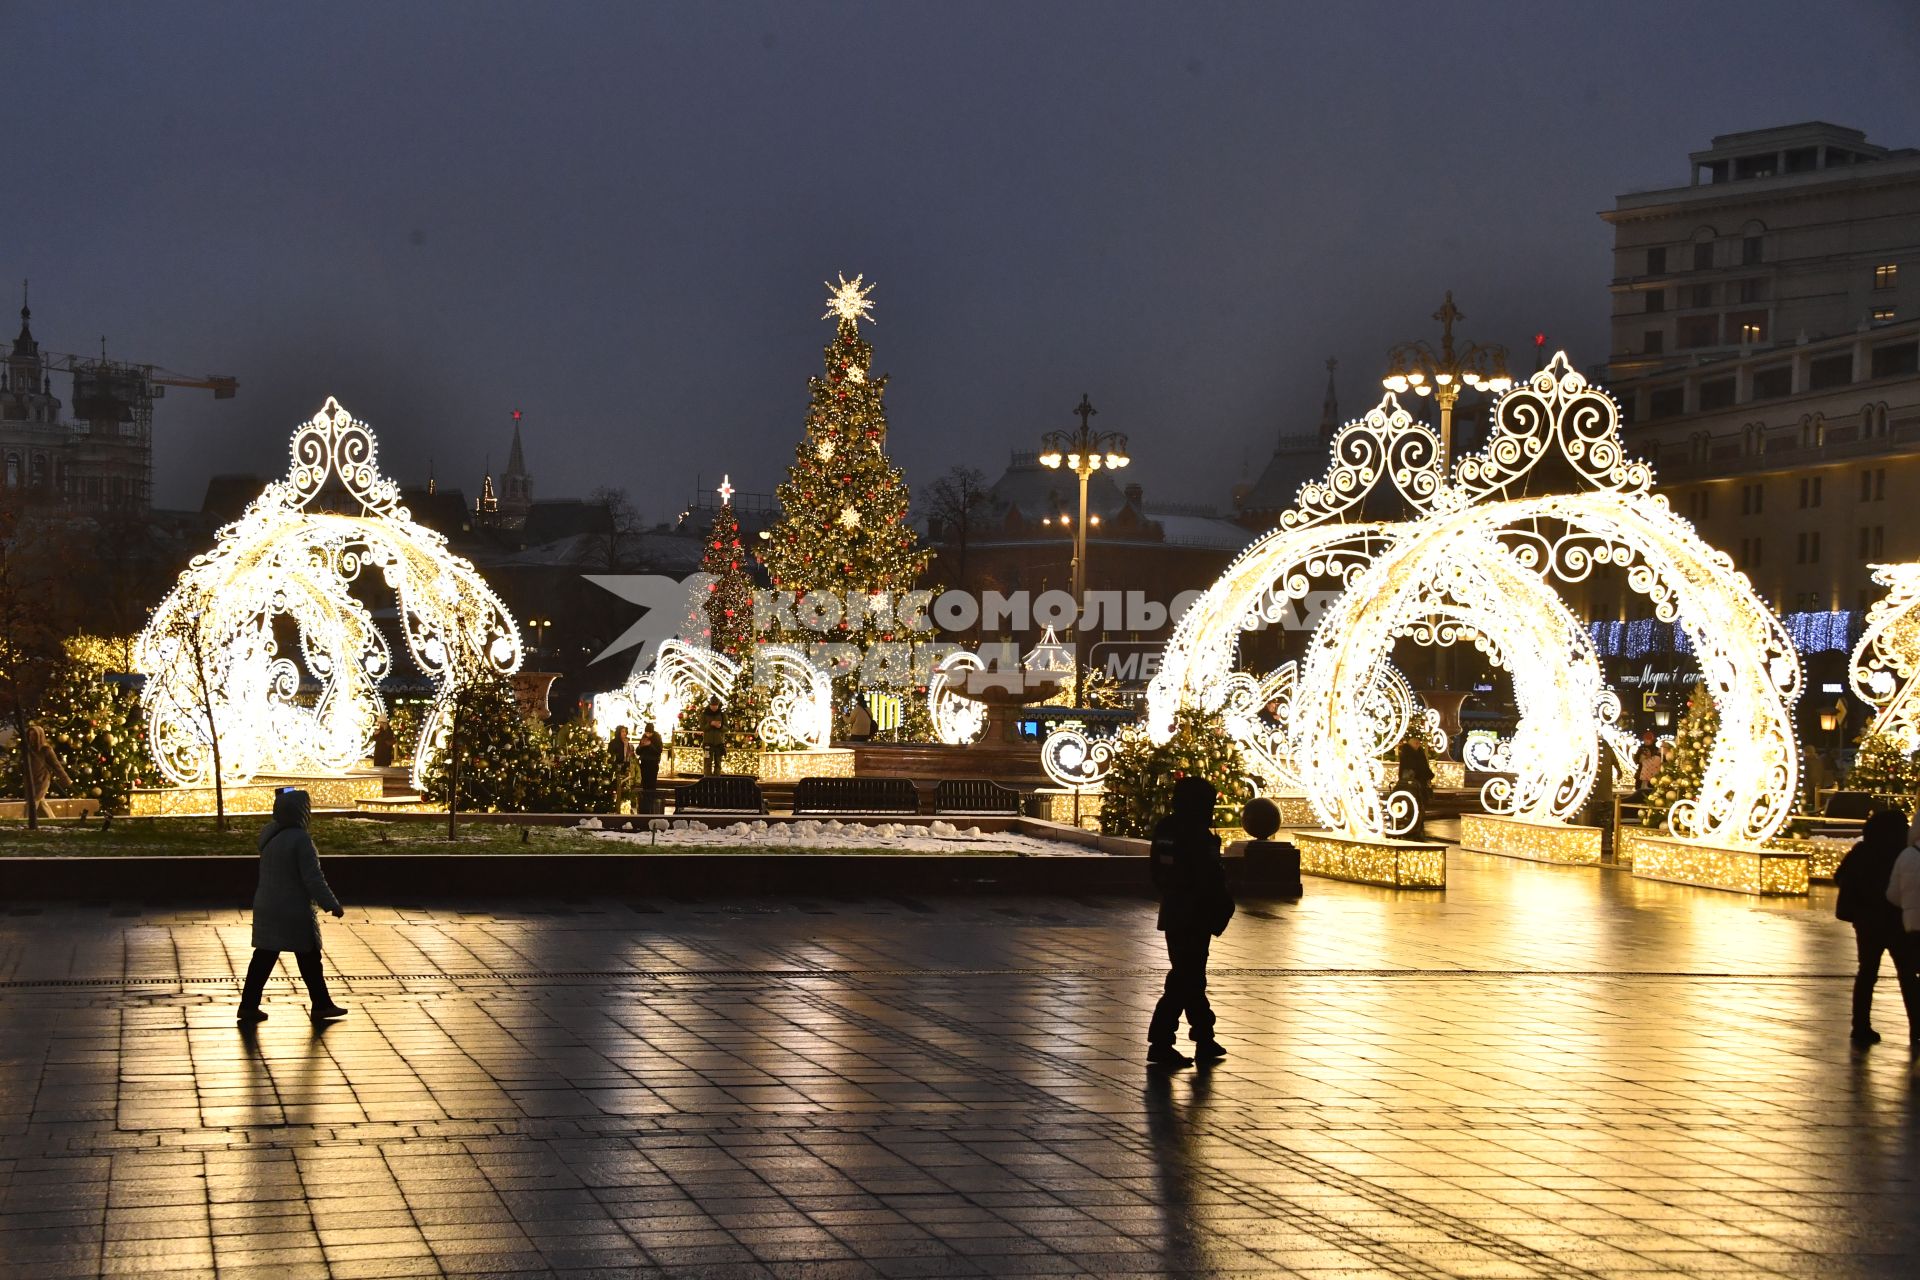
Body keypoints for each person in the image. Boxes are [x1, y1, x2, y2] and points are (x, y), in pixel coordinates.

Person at [238, 787, 348, 1025]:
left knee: (264, 957)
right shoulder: (301, 840)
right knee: (309, 956)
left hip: (267, 904)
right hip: (293, 909)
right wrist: (331, 904)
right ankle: (321, 1004)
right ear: (301, 811)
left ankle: (248, 1005)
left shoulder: (268, 835)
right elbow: (313, 878)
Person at [1147, 775, 1233, 1068]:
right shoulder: (1195, 834)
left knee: (1191, 976)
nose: (1210, 811)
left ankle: (1204, 1036)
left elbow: (1158, 870)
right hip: (1193, 913)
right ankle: (1161, 1041)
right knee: (1185, 978)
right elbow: (1208, 877)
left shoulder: (1167, 829)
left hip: (1176, 910)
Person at [1836, 809, 1918, 1047]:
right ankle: (1916, 1026)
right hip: (1897, 921)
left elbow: (1840, 876)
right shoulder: (1903, 853)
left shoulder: (1863, 851)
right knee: (1908, 975)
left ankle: (1860, 1026)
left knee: (1867, 973)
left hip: (1867, 922)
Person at [21, 723, 73, 820]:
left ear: (39, 736)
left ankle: (27, 820)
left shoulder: (45, 750)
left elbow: (56, 765)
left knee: (32, 803)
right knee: (41, 803)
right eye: (30, 735)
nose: (32, 737)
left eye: (34, 735)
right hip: (30, 781)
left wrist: (66, 779)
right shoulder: (27, 750)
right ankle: (52, 819)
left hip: (42, 780)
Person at [636, 721, 664, 812]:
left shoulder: (657, 737)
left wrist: (650, 745)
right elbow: (638, 751)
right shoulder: (643, 737)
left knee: (652, 784)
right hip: (644, 763)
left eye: (649, 733)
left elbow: (658, 751)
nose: (648, 735)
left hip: (653, 763)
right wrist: (641, 746)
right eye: (646, 733)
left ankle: (651, 803)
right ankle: (644, 804)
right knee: (645, 783)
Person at [609, 724, 636, 812]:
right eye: (622, 731)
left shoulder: (626, 743)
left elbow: (629, 755)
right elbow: (611, 755)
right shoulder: (614, 743)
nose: (624, 733)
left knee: (625, 786)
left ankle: (624, 804)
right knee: (615, 786)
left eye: (625, 732)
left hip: (625, 766)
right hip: (616, 767)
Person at [701, 696, 727, 775]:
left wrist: (720, 727)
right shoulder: (704, 714)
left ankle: (717, 780)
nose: (714, 707)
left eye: (716, 706)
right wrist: (710, 724)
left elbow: (727, 728)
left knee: (718, 764)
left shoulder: (722, 715)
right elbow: (702, 727)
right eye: (713, 706)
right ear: (710, 705)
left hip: (719, 744)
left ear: (718, 705)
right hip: (708, 743)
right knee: (707, 763)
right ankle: (707, 780)